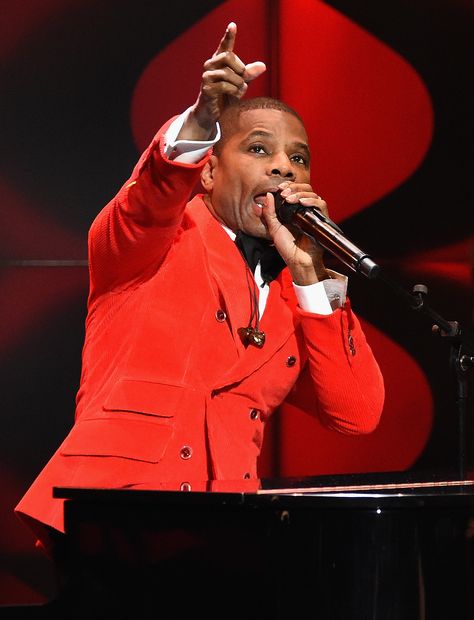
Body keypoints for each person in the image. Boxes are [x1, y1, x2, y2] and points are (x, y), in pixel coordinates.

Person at [16, 22, 384, 547]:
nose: (284, 167)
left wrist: (310, 275)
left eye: (298, 158)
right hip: (117, 519)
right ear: (208, 172)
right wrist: (203, 116)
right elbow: (151, 196)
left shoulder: (295, 297)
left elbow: (356, 414)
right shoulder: (153, 241)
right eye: (259, 150)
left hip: (226, 530)